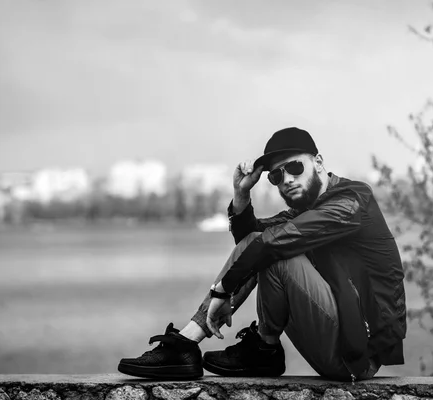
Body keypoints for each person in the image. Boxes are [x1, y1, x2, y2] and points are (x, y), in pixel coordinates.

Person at [117, 127, 406, 382]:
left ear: (318, 162)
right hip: (334, 330)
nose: (286, 180)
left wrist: (222, 290)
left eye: (294, 168)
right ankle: (251, 348)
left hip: (356, 354)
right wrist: (241, 194)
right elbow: (249, 242)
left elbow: (270, 245)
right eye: (276, 176)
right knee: (265, 245)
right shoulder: (305, 210)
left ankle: (206, 345)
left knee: (276, 249)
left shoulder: (352, 201)